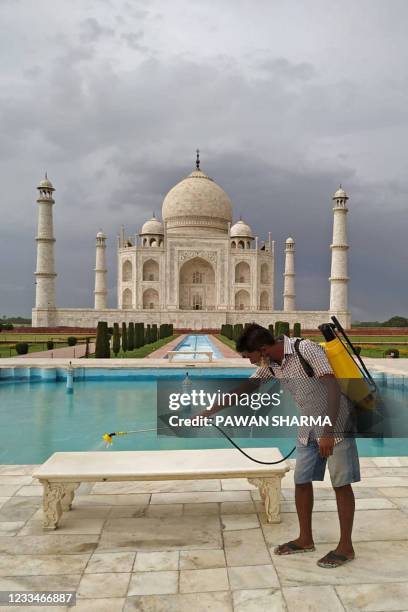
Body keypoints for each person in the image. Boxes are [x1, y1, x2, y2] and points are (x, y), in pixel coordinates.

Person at [204, 323, 360, 568]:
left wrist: (329, 431)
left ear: (263, 349)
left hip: (335, 424)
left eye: (249, 357)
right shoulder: (272, 365)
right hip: (308, 426)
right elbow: (247, 388)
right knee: (301, 481)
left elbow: (332, 387)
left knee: (341, 483)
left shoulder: (306, 349)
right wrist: (210, 410)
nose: (249, 362)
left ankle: (345, 547)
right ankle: (305, 538)